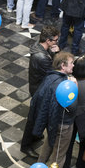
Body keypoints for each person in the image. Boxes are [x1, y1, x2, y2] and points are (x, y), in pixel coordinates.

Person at [32, 52, 77, 168]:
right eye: (71, 63)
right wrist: (75, 87)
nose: (73, 65)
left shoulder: (50, 77)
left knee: (48, 143)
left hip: (51, 121)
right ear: (63, 65)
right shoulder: (64, 84)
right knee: (59, 152)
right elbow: (72, 106)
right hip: (63, 123)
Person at [20, 27, 61, 158]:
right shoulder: (42, 56)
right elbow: (53, 71)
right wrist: (57, 54)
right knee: (34, 117)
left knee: (38, 115)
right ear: (48, 40)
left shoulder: (40, 47)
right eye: (55, 40)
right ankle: (26, 145)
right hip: (39, 89)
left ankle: (35, 135)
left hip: (38, 85)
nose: (56, 42)